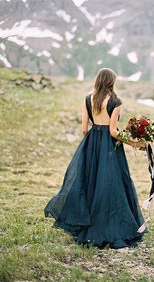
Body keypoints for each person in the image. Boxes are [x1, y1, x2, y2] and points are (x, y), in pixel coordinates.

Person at [44, 67, 148, 249]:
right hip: (109, 146)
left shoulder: (87, 99)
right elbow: (113, 131)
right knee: (111, 184)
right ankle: (113, 228)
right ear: (111, 82)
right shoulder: (115, 101)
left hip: (91, 144)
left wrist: (93, 140)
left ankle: (89, 226)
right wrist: (134, 144)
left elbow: (84, 129)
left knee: (90, 183)